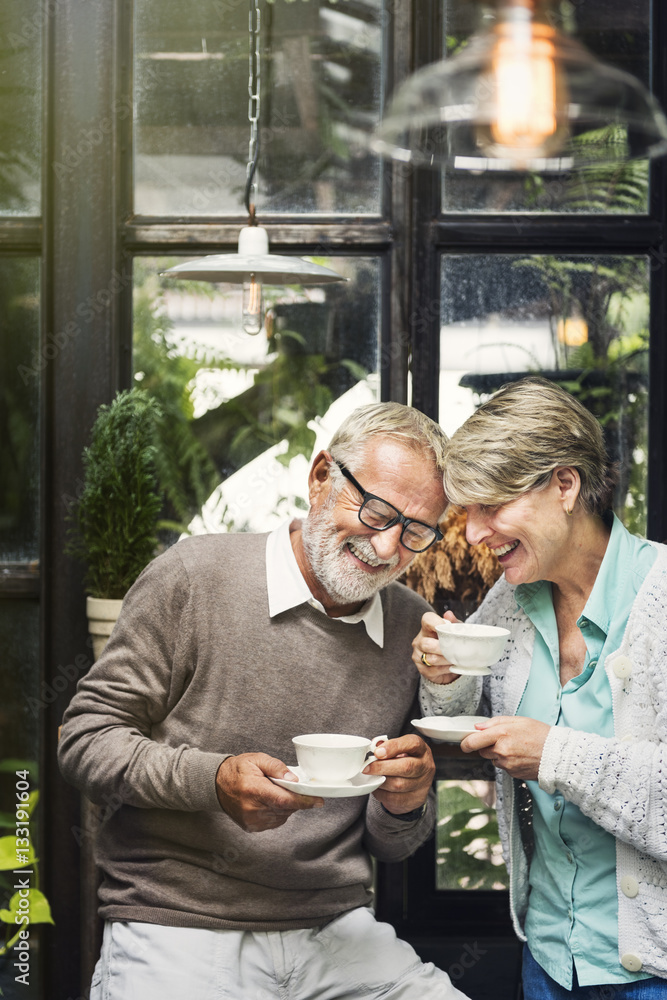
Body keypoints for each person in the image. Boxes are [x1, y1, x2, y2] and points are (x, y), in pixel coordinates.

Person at [58, 401, 470, 1000]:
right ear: (321, 476)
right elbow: (85, 740)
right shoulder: (193, 576)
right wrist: (214, 780)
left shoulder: (413, 626)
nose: (386, 549)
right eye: (376, 511)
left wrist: (406, 802)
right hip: (177, 923)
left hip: (336, 930)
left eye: (415, 532)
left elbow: (390, 843)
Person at [413, 377, 667, 999]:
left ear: (565, 485)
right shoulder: (510, 601)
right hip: (549, 959)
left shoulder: (660, 597)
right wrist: (444, 678)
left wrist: (554, 755)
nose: (472, 533)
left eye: (490, 506)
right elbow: (467, 714)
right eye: (466, 509)